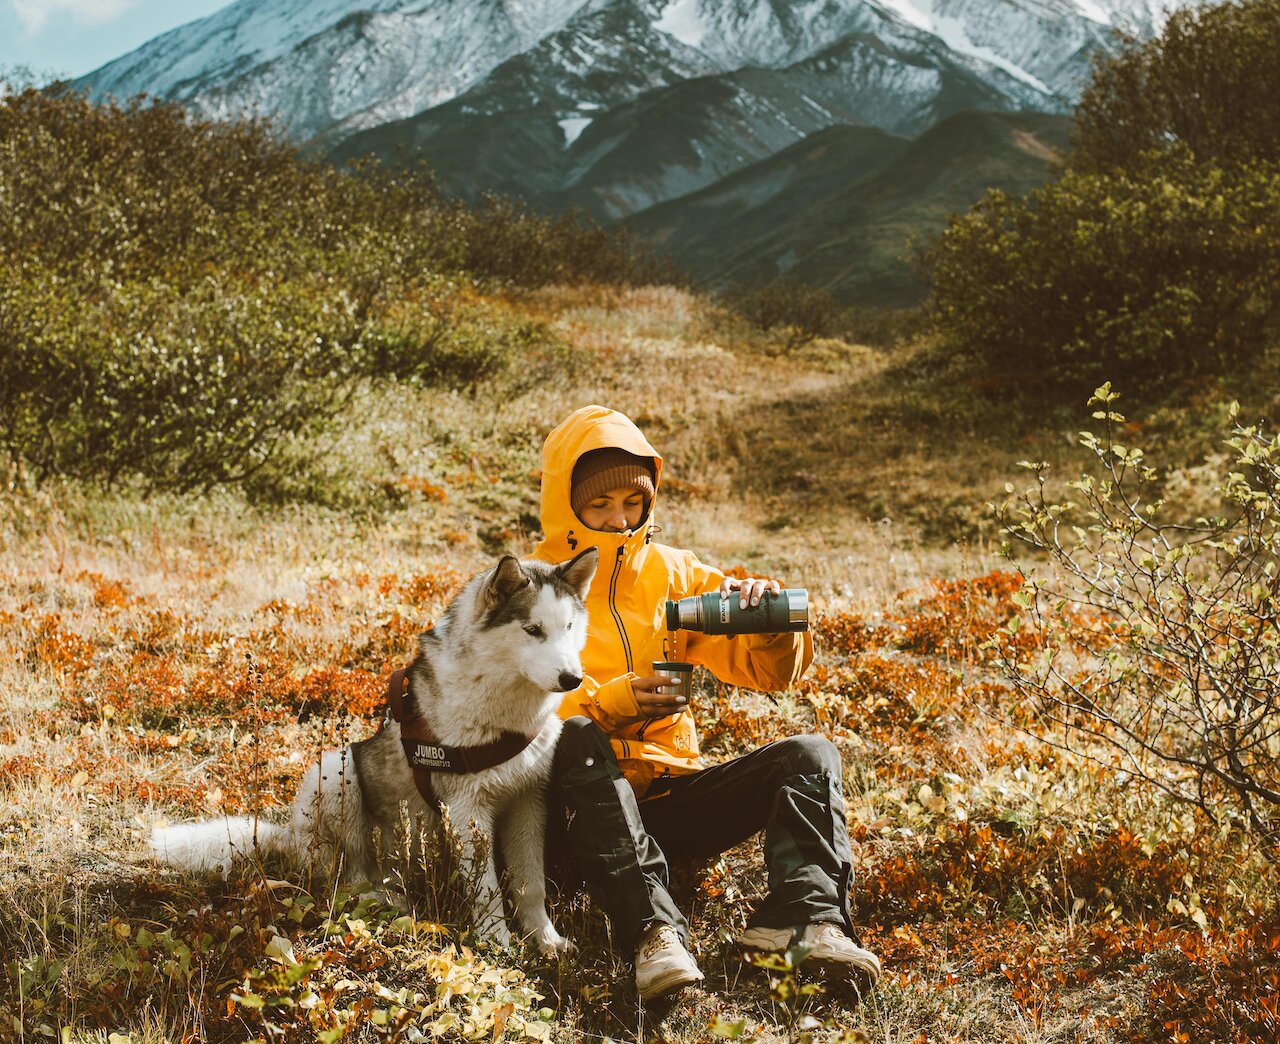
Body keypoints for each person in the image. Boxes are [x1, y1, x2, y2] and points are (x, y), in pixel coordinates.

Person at [531, 405, 881, 1002]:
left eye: (633, 503)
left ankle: (804, 922)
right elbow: (506, 717)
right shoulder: (530, 586)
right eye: (599, 505)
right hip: (567, 819)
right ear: (568, 505)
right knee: (578, 739)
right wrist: (607, 704)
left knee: (808, 754)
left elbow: (774, 675)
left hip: (666, 802)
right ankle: (653, 935)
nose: (619, 519)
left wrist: (769, 622)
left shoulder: (675, 574)